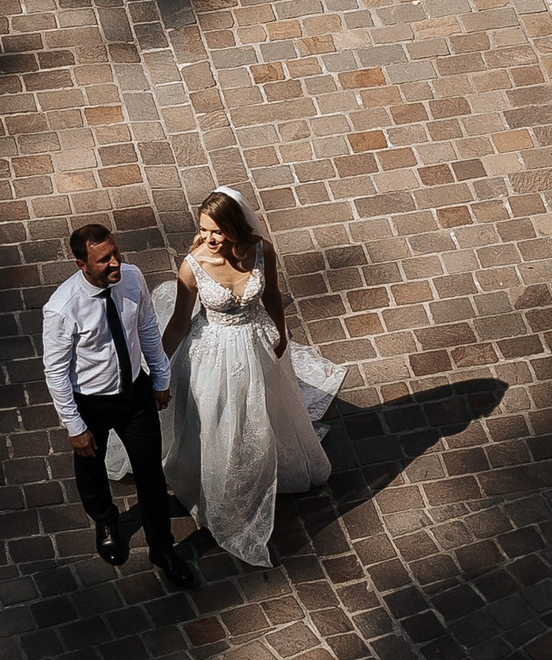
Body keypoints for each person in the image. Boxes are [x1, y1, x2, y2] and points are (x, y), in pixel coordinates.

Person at [159, 188, 333, 569]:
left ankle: (255, 471)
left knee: (256, 414)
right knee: (218, 422)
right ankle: (220, 492)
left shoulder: (262, 251)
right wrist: (157, 369)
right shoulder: (192, 266)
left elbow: (272, 296)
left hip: (253, 345)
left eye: (216, 231)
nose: (208, 239)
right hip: (211, 355)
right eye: (203, 230)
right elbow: (177, 323)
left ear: (236, 227)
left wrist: (282, 334)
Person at [40, 222, 203, 590]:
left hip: (134, 393)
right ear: (81, 263)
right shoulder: (63, 308)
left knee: (151, 475)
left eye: (115, 253)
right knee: (91, 470)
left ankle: (162, 548)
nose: (115, 263)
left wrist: (159, 380)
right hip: (90, 402)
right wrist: (75, 426)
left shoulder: (131, 278)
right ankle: (105, 520)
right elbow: (55, 371)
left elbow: (146, 326)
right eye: (104, 260)